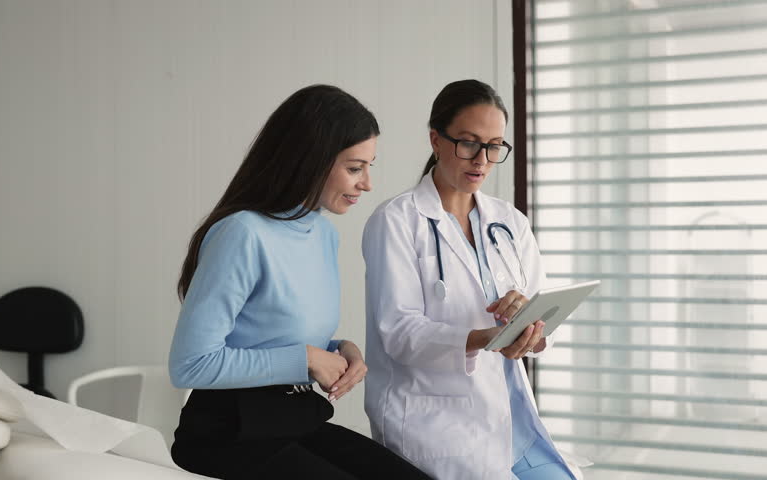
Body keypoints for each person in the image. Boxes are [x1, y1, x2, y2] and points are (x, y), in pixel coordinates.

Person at [168, 85, 432, 480]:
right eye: (354, 167)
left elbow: (269, 332)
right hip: (227, 436)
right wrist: (308, 359)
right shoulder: (242, 233)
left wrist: (340, 349)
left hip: (291, 421)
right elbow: (191, 365)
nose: (367, 184)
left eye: (369, 167)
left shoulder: (324, 235)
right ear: (310, 160)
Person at [362, 80, 586, 479]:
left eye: (494, 145)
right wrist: (483, 337)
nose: (482, 159)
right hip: (438, 427)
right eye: (469, 143)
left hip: (513, 419)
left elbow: (543, 313)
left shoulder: (509, 222)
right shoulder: (396, 221)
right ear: (436, 139)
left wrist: (529, 322)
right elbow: (398, 332)